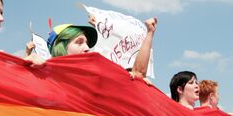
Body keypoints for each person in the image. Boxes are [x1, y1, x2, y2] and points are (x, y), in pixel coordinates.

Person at [24, 18, 157, 78]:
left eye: (87, 43)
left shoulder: (98, 76)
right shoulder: (45, 77)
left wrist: (150, 33)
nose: (87, 48)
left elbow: (138, 74)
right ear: (61, 48)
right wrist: (25, 66)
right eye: (79, 42)